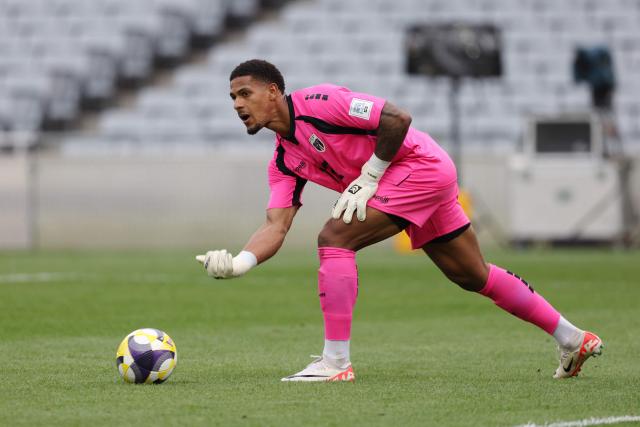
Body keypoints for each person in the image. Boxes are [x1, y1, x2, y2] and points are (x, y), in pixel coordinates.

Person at [196, 59, 603, 382]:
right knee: (471, 275)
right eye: (232, 97)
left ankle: (335, 362)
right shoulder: (284, 159)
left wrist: (369, 176)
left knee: (335, 237)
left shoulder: (319, 103)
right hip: (416, 183)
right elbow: (275, 225)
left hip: (419, 167)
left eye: (244, 94)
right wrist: (238, 263)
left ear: (273, 92)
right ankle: (571, 337)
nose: (237, 105)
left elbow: (397, 119)